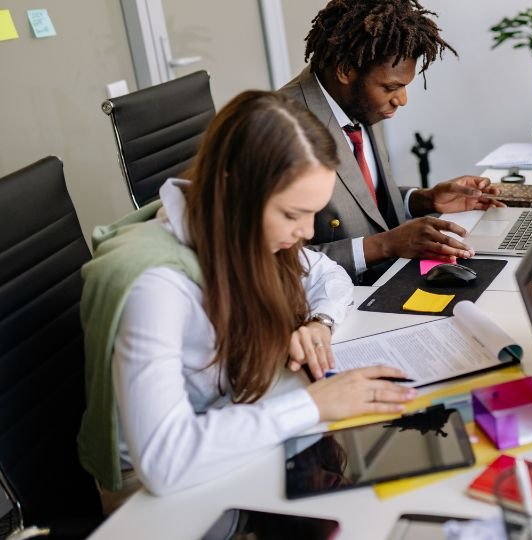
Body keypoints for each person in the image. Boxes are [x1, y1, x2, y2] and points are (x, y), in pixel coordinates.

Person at [77, 91, 416, 512]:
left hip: (237, 415)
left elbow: (329, 276)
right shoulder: (157, 286)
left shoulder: (235, 227)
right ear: (232, 189)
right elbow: (165, 462)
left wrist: (319, 323)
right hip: (156, 496)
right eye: (292, 215)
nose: (308, 231)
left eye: (313, 212)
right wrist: (313, 404)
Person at [280, 0, 503, 285]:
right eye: (391, 88)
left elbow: (361, 198)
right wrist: (382, 245)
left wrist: (424, 199)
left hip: (390, 279)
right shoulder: (279, 127)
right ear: (346, 70)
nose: (401, 100)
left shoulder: (354, 103)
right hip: (330, 305)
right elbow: (265, 263)